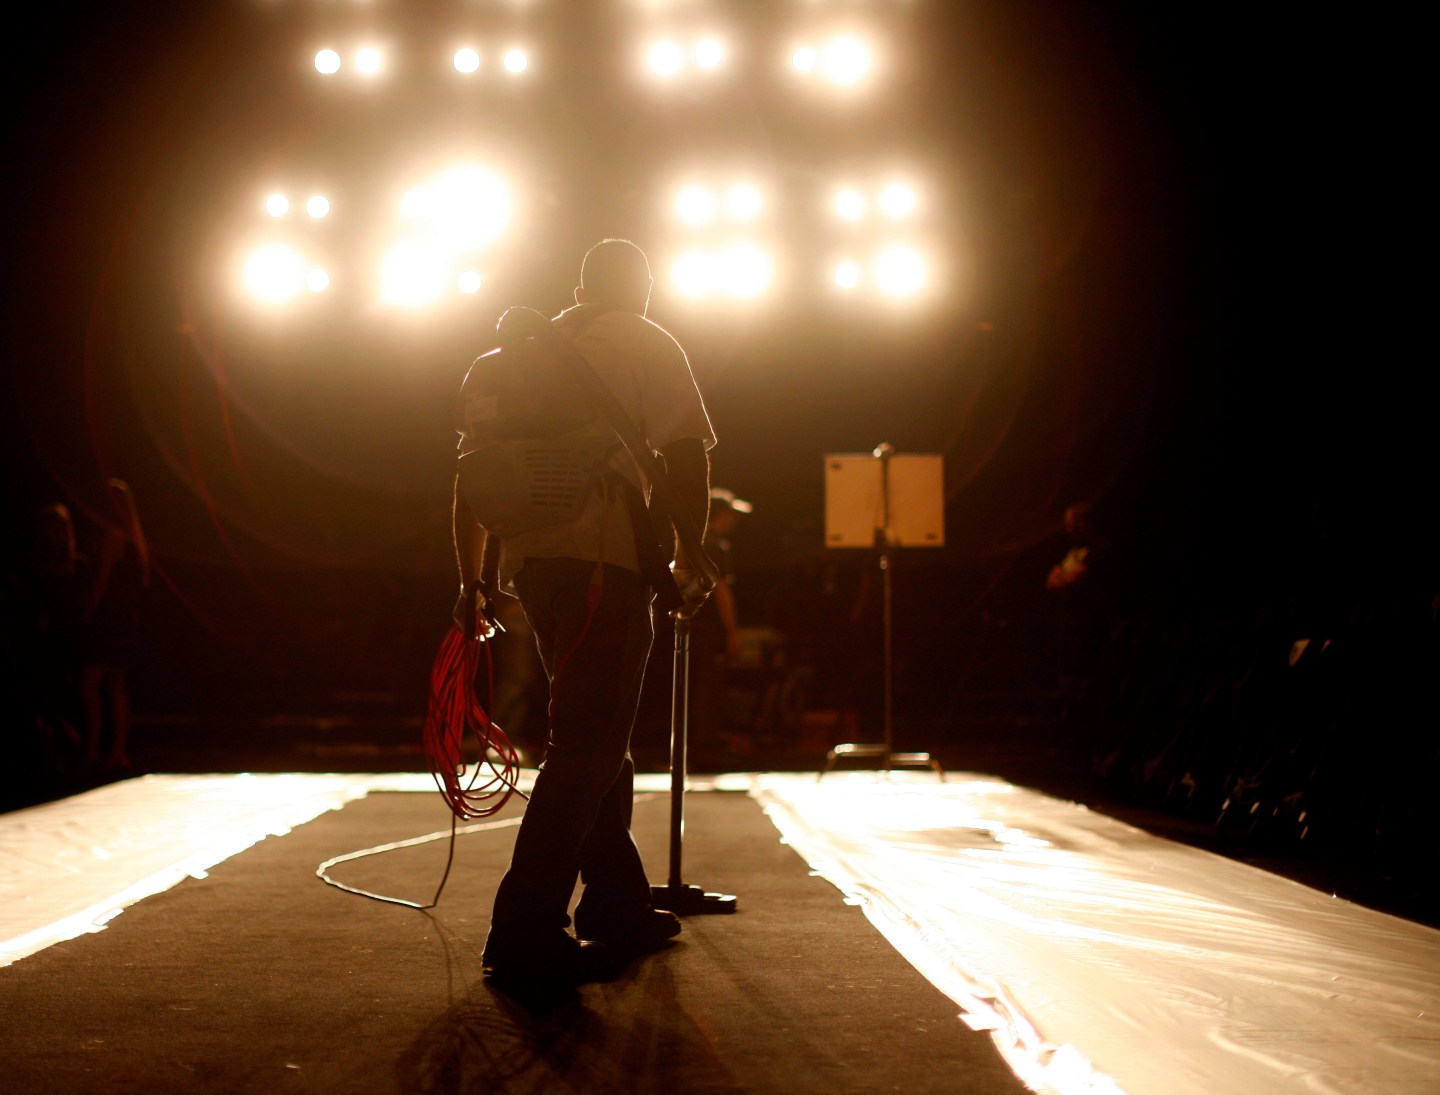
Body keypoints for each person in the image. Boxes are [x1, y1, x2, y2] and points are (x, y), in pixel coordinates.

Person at [452, 238, 715, 991]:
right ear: (643, 288)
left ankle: (618, 903)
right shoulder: (644, 340)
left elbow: (471, 479)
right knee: (589, 746)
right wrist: (688, 560)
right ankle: (524, 924)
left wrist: (470, 581)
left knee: (599, 735)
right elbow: (687, 456)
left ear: (578, 286)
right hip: (608, 563)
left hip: (535, 570)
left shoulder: (516, 355)